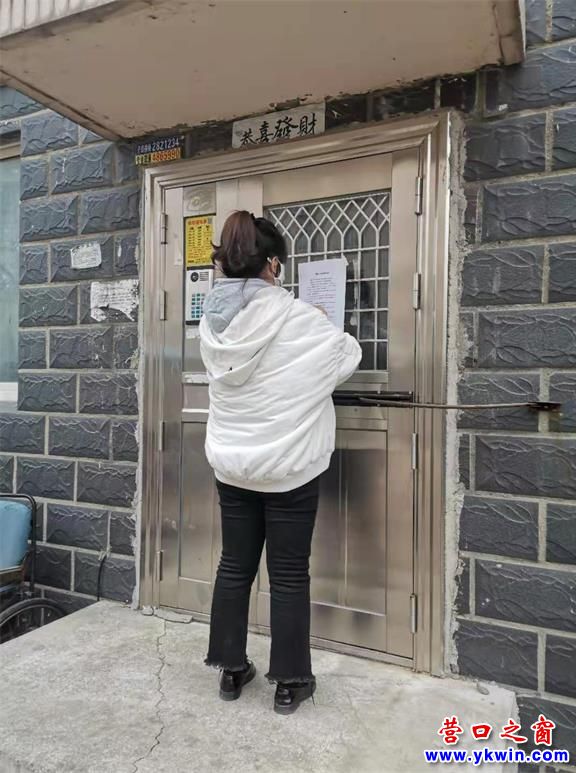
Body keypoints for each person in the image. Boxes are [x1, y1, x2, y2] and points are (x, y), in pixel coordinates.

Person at [199, 210, 361, 714]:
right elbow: (346, 357)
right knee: (289, 574)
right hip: (289, 466)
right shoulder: (300, 318)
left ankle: (230, 670)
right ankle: (290, 683)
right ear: (273, 264)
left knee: (234, 565)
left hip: (233, 465)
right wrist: (324, 323)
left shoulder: (213, 322)